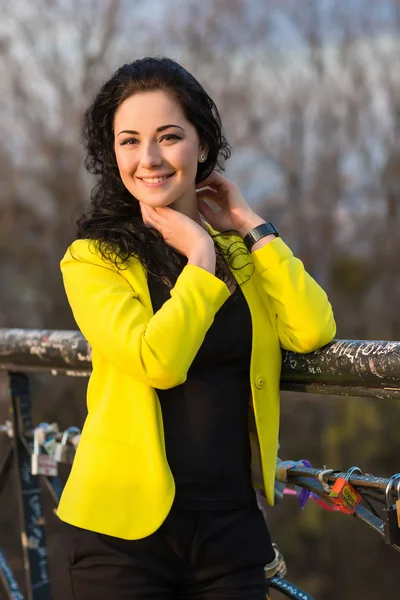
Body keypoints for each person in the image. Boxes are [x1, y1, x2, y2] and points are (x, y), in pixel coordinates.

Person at [54, 56, 336, 600]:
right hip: (120, 538)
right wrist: (199, 255)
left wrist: (251, 227)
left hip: (229, 534)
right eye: (130, 141)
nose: (150, 159)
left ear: (201, 145)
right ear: (113, 155)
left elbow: (311, 329)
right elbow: (157, 362)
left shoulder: (240, 253)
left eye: (168, 136)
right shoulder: (92, 260)